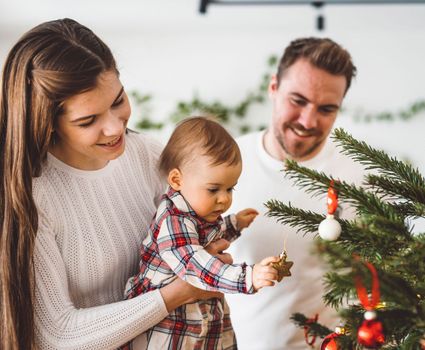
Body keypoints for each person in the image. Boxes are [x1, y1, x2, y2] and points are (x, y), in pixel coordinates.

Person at [0, 18, 231, 349]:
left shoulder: (150, 157)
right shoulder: (30, 196)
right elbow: (57, 335)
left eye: (118, 101)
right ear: (47, 124)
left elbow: (192, 236)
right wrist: (177, 293)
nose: (114, 128)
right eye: (88, 120)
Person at [225, 37, 365, 349]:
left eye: (327, 109)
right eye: (298, 101)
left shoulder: (360, 179)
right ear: (273, 87)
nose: (308, 121)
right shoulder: (224, 163)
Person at [122, 117, 279, 349]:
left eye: (230, 188)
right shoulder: (173, 220)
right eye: (214, 189)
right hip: (169, 328)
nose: (225, 198)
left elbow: (209, 236)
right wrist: (247, 277)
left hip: (200, 319)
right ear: (177, 180)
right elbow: (196, 263)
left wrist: (234, 224)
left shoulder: (199, 214)